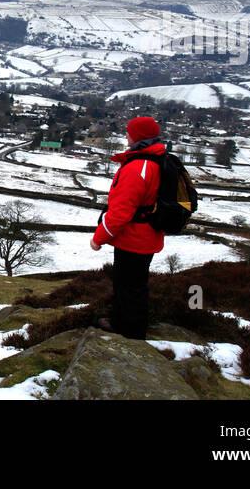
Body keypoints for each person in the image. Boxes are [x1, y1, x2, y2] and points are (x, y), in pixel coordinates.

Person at [89, 116, 167, 339]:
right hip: (147, 234)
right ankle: (121, 322)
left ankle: (130, 332)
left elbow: (121, 212)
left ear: (138, 136)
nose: (126, 135)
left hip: (134, 237)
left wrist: (99, 238)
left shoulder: (138, 167)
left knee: (129, 286)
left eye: (129, 132)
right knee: (132, 283)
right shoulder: (156, 159)